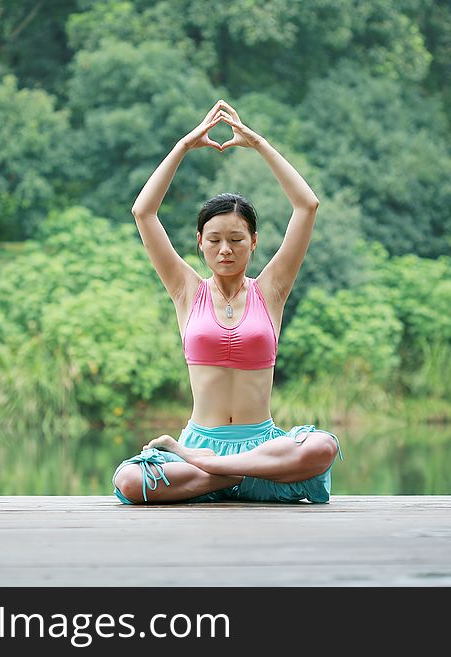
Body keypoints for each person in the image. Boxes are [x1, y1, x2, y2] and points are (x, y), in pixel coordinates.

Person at [112, 100, 342, 504]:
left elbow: (307, 205)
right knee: (129, 480)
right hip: (200, 449)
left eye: (236, 240)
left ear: (253, 243)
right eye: (214, 240)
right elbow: (143, 212)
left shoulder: (271, 290)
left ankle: (223, 473)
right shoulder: (187, 290)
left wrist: (257, 143)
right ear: (199, 243)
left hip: (261, 449)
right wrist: (183, 145)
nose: (225, 250)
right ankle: (227, 475)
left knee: (323, 447)